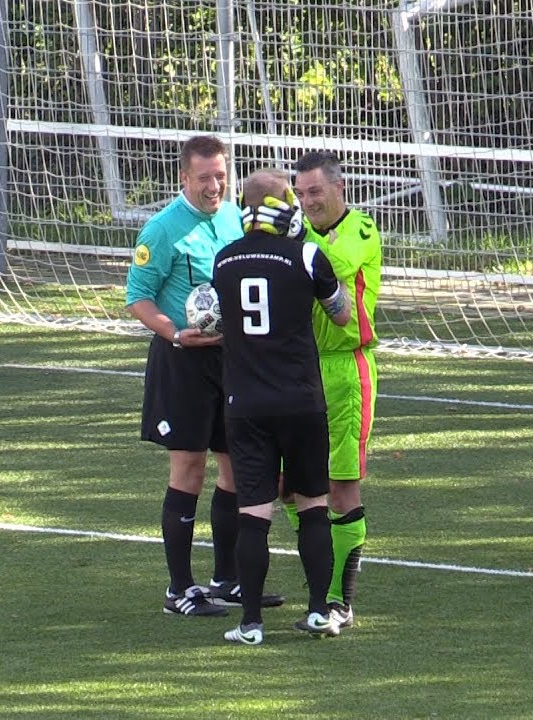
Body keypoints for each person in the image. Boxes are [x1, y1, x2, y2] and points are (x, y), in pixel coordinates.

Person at [125, 135, 282, 617]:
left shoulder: (236, 219)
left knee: (235, 467)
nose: (214, 186)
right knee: (189, 469)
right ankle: (179, 590)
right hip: (182, 363)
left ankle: (226, 580)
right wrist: (174, 333)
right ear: (183, 178)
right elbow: (137, 298)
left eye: (220, 176)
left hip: (232, 361)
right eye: (204, 178)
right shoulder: (162, 229)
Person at [211, 169, 352, 645]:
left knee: (253, 512)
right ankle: (318, 612)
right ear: (283, 208)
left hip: (245, 403)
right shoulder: (307, 254)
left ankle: (250, 622)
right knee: (313, 506)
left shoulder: (224, 259)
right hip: (301, 400)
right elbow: (341, 314)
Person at [286, 151, 381, 630]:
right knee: (287, 486)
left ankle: (339, 600)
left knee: (341, 488)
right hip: (298, 370)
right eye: (300, 194)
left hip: (346, 370)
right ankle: (318, 578)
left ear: (339, 188)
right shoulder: (300, 235)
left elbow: (335, 264)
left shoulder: (361, 228)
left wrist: (291, 241)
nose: (307, 202)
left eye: (315, 192)